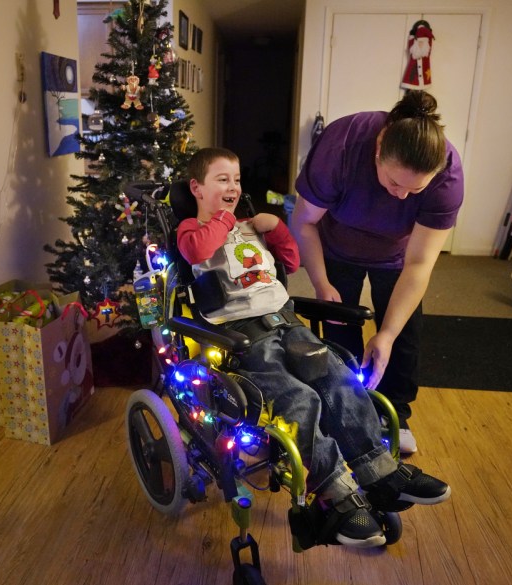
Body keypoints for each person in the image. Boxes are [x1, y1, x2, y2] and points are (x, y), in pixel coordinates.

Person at [177, 147, 451, 549]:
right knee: (300, 399)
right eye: (222, 180)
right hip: (241, 337)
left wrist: (277, 232)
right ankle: (335, 491)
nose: (233, 187)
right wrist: (225, 218)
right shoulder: (192, 229)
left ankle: (381, 472)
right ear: (197, 188)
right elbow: (196, 252)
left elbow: (289, 261)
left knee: (340, 379)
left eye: (236, 180)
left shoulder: (250, 228)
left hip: (287, 323)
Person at [291, 90, 464, 455]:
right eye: (394, 183)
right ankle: (348, 410)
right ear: (379, 147)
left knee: (401, 333)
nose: (401, 196)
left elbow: (420, 264)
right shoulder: (343, 143)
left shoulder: (448, 176)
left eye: (414, 189)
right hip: (337, 243)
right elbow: (304, 222)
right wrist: (321, 283)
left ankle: (396, 415)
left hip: (398, 256)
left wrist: (386, 333)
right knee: (340, 326)